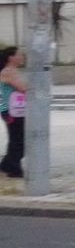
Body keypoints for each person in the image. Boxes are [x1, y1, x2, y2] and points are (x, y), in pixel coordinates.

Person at [0, 47, 27, 178]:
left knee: (18, 139)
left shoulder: (13, 71)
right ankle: (11, 166)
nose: (22, 57)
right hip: (10, 111)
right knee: (18, 139)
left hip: (17, 110)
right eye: (19, 55)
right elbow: (23, 88)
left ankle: (9, 165)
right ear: (11, 57)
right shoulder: (8, 72)